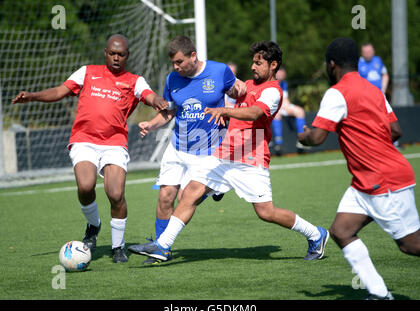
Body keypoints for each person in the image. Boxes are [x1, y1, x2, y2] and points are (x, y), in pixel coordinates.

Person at [133, 41, 329, 263]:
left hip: (251, 157)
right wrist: (231, 95)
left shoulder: (273, 91)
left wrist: (225, 110)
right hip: (225, 153)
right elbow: (231, 95)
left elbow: (255, 113)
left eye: (259, 63)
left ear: (273, 65)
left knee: (266, 212)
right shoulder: (248, 85)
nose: (253, 67)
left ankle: (316, 234)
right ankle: (163, 246)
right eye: (253, 62)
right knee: (190, 192)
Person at [12, 34, 168, 263]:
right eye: (112, 53)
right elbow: (59, 91)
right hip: (84, 139)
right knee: (85, 187)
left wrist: (158, 101)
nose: (116, 58)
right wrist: (33, 96)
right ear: (105, 52)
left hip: (114, 143)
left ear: (127, 56)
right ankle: (94, 226)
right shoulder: (87, 72)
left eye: (121, 54)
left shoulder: (134, 80)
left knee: (116, 194)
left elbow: (149, 95)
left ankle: (117, 247)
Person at [298, 37, 420, 299]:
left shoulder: (337, 92)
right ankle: (379, 294)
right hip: (366, 182)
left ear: (332, 65)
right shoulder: (373, 89)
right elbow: (395, 130)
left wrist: (304, 136)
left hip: (383, 180)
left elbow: (317, 138)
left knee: (411, 246)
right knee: (342, 231)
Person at [128, 35, 246, 265]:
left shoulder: (219, 71)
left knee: (185, 197)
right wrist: (151, 125)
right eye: (173, 63)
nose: (175, 67)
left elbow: (239, 95)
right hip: (178, 147)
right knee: (165, 197)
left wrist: (230, 110)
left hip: (208, 150)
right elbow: (169, 111)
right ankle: (161, 249)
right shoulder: (172, 79)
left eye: (179, 62)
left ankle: (213, 189)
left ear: (193, 56)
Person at [271, 66, 310, 155]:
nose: (282, 74)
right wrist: (284, 107)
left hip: (282, 106)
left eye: (283, 72)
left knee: (300, 111)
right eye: (280, 72)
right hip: (273, 107)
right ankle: (278, 144)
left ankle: (301, 140)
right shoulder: (271, 83)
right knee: (277, 115)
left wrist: (287, 107)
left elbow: (285, 99)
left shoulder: (284, 83)